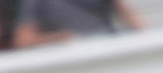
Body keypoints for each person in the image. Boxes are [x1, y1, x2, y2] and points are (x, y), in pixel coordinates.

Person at [13, 0, 143, 46]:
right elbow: (23, 40)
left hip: (105, 50)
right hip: (69, 61)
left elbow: (133, 20)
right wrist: (58, 39)